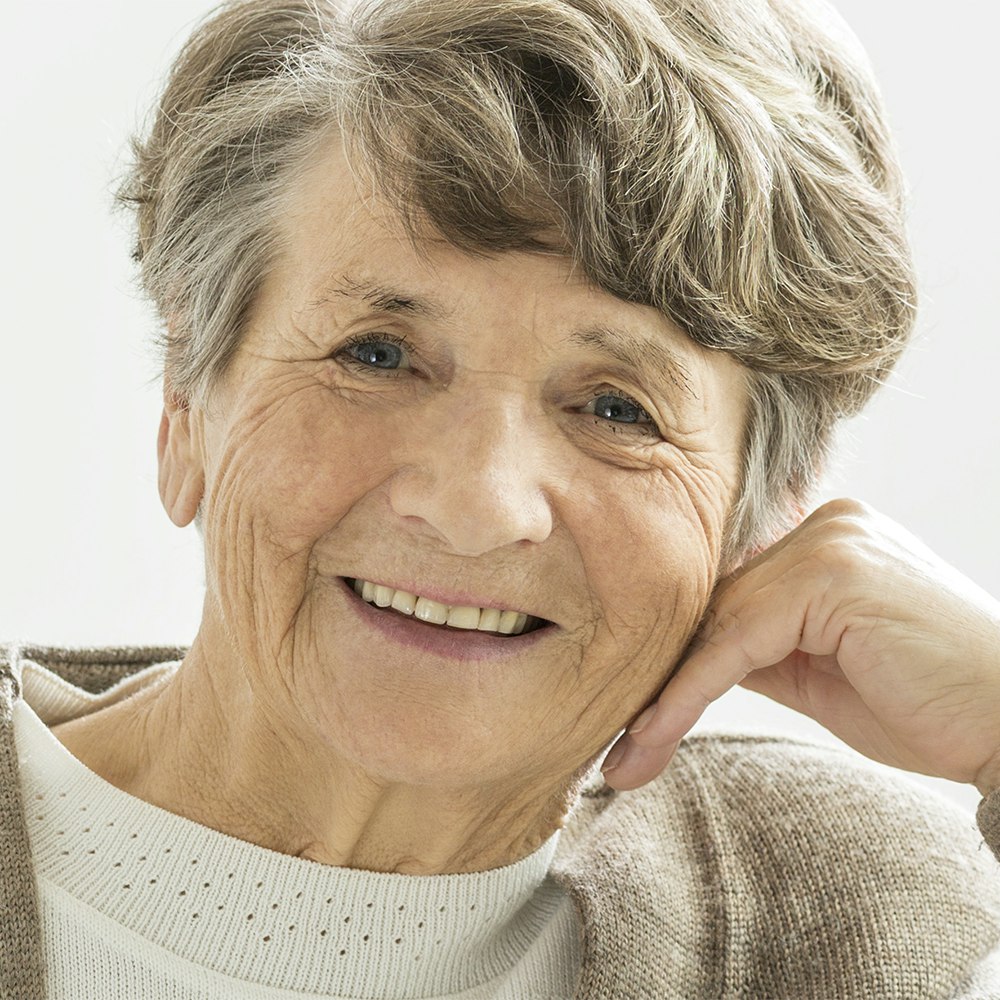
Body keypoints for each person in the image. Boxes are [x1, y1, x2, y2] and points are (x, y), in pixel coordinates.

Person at [2, 0, 1000, 996]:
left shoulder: (879, 923)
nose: (475, 503)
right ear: (188, 394)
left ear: (765, 509)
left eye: (615, 408)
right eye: (378, 354)